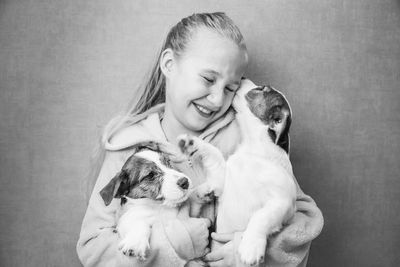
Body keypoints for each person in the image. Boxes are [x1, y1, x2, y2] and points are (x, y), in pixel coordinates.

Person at [76, 12, 323, 267]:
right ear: (169, 64)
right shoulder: (127, 146)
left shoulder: (244, 139)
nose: (217, 99)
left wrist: (246, 249)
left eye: (230, 88)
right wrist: (171, 246)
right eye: (208, 79)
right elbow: (93, 247)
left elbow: (302, 221)